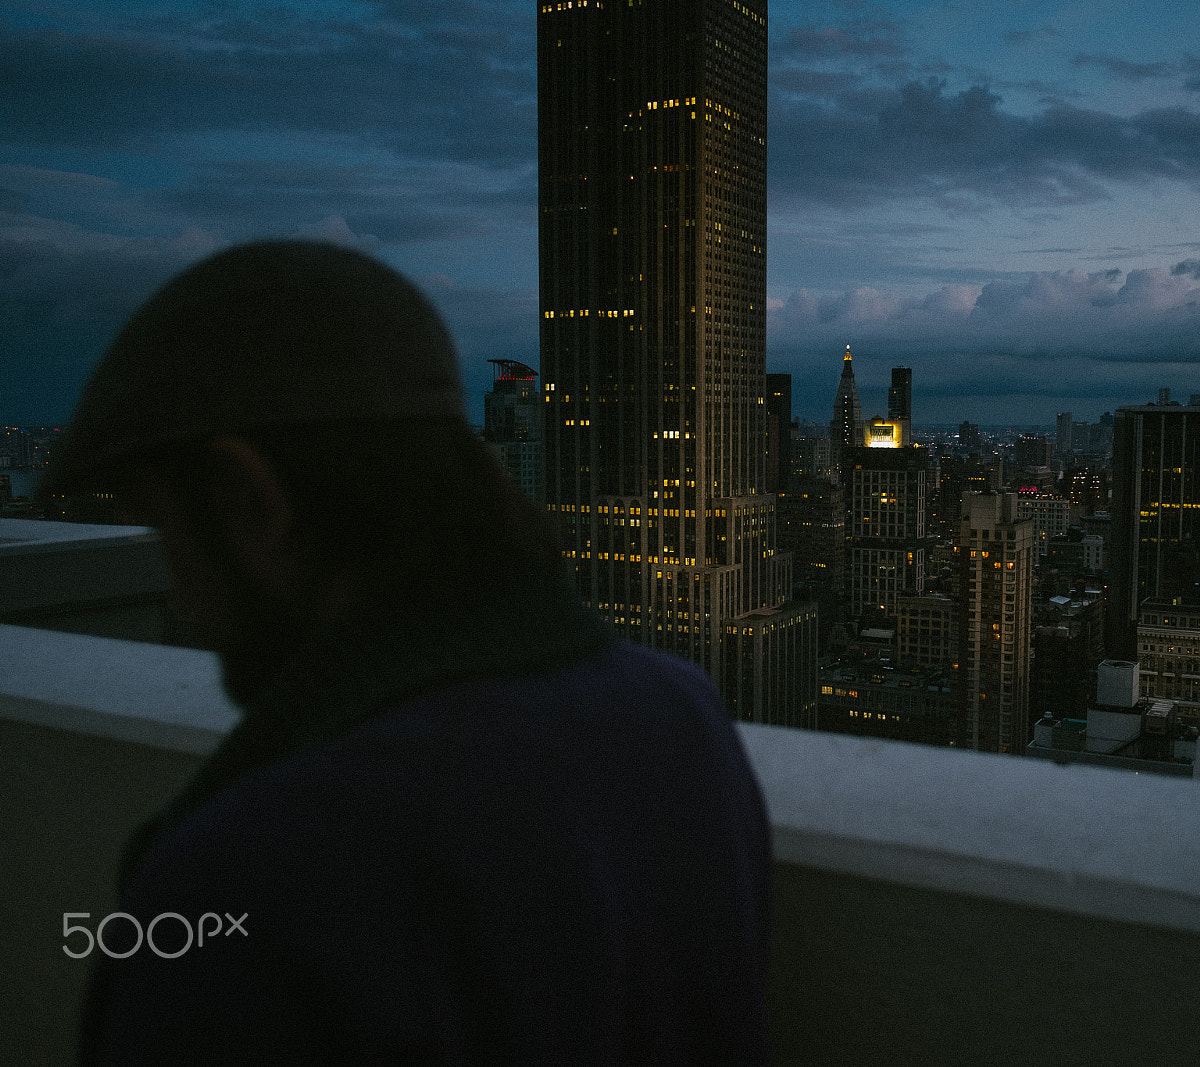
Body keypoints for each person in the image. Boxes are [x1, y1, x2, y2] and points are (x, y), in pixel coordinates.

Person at [47, 241, 771, 1064]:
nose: (179, 591)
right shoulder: (684, 713)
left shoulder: (258, 872)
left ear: (250, 499)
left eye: (168, 529)